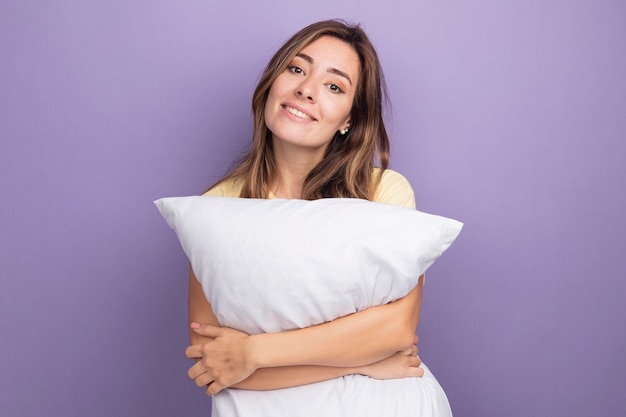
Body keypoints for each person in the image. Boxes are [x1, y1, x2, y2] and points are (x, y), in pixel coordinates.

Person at [184, 19, 453, 416]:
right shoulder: (216, 207)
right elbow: (214, 365)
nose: (306, 90)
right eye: (296, 69)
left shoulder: (384, 194)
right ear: (271, 84)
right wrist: (362, 361)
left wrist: (254, 351)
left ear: (349, 118)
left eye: (334, 86)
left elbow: (395, 330)